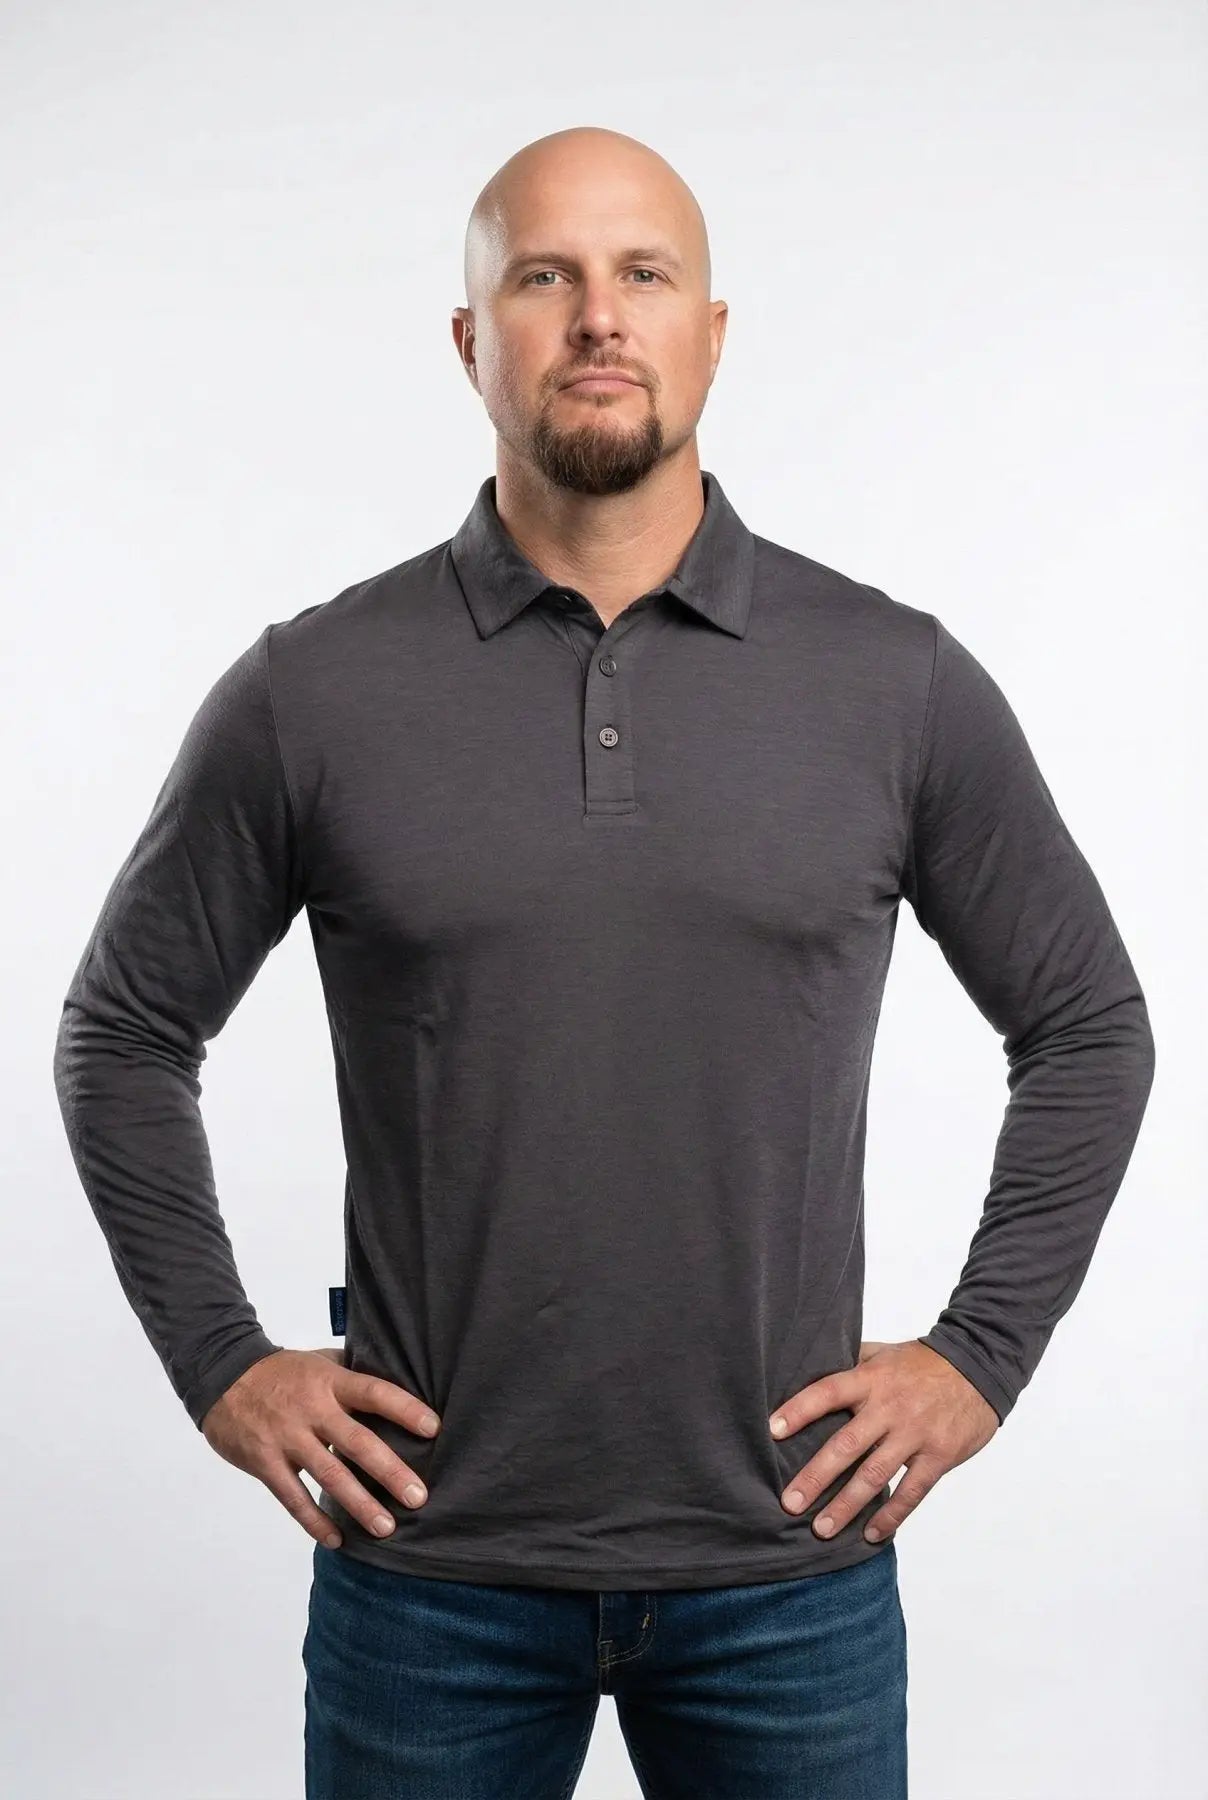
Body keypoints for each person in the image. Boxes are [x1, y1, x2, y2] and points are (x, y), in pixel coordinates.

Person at [53, 125, 1156, 1799]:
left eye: (644, 272)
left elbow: (1085, 1024)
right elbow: (126, 1034)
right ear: (468, 338)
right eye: (543, 276)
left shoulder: (894, 681)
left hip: (790, 1572)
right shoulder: (313, 692)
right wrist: (223, 1361)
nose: (597, 316)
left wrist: (976, 1358)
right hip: (429, 1579)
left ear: (713, 331)